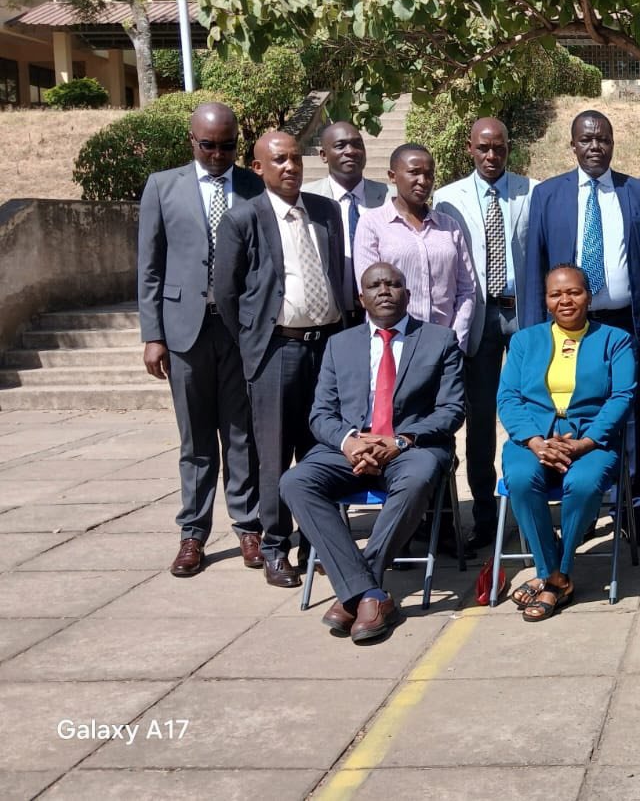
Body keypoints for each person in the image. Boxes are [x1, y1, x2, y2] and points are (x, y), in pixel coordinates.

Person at [280, 263, 467, 644]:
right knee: (296, 481)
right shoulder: (340, 344)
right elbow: (321, 413)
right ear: (360, 298)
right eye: (374, 285)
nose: (384, 290)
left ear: (407, 295)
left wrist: (400, 441)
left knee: (418, 478)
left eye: (393, 284)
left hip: (412, 447)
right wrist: (350, 442)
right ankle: (370, 594)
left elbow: (451, 410)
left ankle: (356, 588)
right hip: (350, 447)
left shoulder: (439, 340)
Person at [213, 131, 348, 589]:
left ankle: (317, 544)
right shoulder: (243, 218)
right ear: (259, 168)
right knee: (273, 453)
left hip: (326, 347)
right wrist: (255, 340)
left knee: (322, 451)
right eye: (279, 160)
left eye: (295, 158)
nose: (290, 167)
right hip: (277, 350)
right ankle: (275, 546)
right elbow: (227, 294)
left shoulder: (326, 211)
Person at [523, 110, 640, 520]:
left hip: (626, 323)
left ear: (612, 143)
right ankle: (584, 505)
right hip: (568, 328)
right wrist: (536, 333)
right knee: (577, 409)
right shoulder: (549, 195)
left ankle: (632, 509)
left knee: (632, 413)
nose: (594, 147)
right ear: (572, 146)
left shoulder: (638, 194)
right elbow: (535, 266)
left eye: (602, 139)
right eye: (586, 140)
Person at [137, 102, 262, 578]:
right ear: (192, 141)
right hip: (184, 329)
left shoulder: (253, 187)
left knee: (240, 433)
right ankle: (193, 533)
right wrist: (153, 335)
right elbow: (148, 267)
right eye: (208, 145)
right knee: (195, 438)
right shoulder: (162, 186)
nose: (217, 154)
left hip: (237, 332)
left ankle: (248, 527)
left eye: (227, 146)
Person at [498, 265, 634, 622]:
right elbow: (509, 397)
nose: (565, 300)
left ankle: (554, 574)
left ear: (588, 296)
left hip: (591, 437)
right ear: (545, 301)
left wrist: (585, 444)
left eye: (573, 292)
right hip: (532, 438)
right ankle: (556, 578)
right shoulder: (524, 341)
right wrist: (535, 441)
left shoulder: (615, 340)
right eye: (556, 294)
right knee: (522, 479)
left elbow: (622, 396)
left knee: (584, 483)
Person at [434, 117, 536, 550]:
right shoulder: (448, 198)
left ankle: (533, 510)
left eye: (499, 148)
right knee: (479, 422)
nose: (492, 156)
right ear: (470, 148)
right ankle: (484, 513)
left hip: (524, 314)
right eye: (483, 148)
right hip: (477, 318)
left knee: (534, 411)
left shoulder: (532, 190)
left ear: (509, 147)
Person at [353, 145, 478, 352]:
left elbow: (466, 290)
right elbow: (370, 290)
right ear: (392, 176)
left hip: (445, 343)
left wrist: (456, 339)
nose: (423, 181)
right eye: (414, 172)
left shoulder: (449, 226)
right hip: (394, 345)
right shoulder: (372, 224)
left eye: (429, 174)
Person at [303, 121, 389, 323]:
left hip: (381, 316)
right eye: (340, 146)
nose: (351, 151)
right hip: (327, 317)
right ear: (323, 155)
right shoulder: (306, 199)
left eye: (357, 144)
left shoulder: (390, 198)